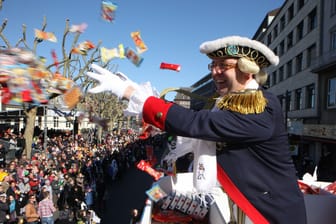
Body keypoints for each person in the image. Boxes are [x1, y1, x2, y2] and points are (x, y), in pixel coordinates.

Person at [86, 36, 307, 223]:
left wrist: (134, 95)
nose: (215, 72)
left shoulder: (261, 104)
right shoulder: (229, 104)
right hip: (243, 208)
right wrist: (162, 188)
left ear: (247, 71)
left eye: (224, 65)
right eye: (213, 65)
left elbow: (199, 124)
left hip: (270, 215)